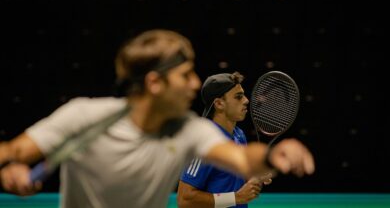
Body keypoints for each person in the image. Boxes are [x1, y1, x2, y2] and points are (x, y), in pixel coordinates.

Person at [0, 29, 315, 208]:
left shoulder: (189, 130)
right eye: (185, 75)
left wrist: (274, 154)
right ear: (154, 83)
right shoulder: (84, 115)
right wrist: (10, 174)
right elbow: (13, 153)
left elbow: (243, 159)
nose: (195, 84)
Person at [177, 72, 271, 208]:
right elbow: (185, 199)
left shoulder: (239, 135)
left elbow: (229, 180)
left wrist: (254, 176)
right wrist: (236, 198)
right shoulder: (204, 143)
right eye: (238, 97)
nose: (246, 100)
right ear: (219, 103)